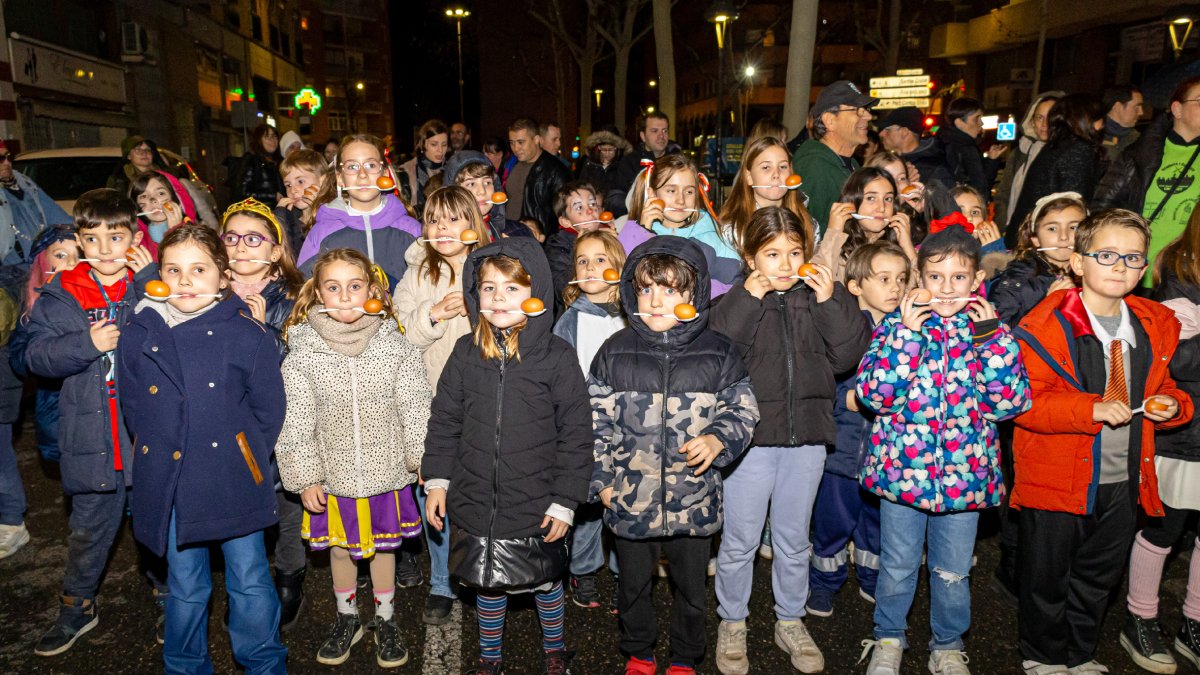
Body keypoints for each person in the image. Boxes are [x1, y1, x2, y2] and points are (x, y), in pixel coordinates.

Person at [1012, 209, 1193, 675]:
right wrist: (1087, 408)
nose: (1119, 266)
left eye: (1132, 257)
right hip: (1057, 479)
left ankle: (1079, 652)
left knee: (1098, 575)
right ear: (1077, 262)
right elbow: (1021, 403)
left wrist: (1173, 406)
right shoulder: (1046, 325)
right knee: (1047, 576)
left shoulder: (1154, 323)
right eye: (1106, 254)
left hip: (1124, 478)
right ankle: (1043, 655)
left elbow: (1166, 386)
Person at [857, 224, 1031, 675]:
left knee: (952, 572)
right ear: (920, 278)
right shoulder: (897, 326)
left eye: (959, 277)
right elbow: (874, 396)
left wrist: (990, 340)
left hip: (966, 478)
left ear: (976, 280)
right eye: (937, 277)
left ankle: (948, 645)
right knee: (897, 567)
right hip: (903, 475)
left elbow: (1010, 404)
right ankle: (888, 638)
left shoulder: (992, 333)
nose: (948, 287)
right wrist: (907, 339)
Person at [117, 224, 287, 672]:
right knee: (186, 586)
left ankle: (264, 663)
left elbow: (269, 409)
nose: (185, 281)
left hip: (233, 475)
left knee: (249, 580)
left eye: (199, 269)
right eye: (173, 270)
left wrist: (244, 452)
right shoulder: (141, 329)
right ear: (158, 274)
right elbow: (134, 407)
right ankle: (185, 665)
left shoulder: (248, 333)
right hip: (171, 482)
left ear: (223, 277)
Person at [710, 206, 870, 675]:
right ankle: (733, 621)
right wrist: (745, 299)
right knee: (739, 541)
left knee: (794, 538)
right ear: (751, 255)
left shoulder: (819, 297)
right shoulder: (735, 299)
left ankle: (790, 618)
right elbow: (718, 355)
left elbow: (849, 354)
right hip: (750, 442)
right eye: (772, 253)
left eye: (793, 252)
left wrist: (832, 300)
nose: (783, 263)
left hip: (808, 439)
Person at [423, 237, 593, 674]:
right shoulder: (464, 353)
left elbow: (576, 434)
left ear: (536, 295)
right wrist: (438, 480)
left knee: (546, 582)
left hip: (536, 499)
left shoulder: (557, 357)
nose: (499, 297)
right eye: (488, 288)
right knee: (488, 584)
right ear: (473, 295)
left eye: (512, 288)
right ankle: (489, 658)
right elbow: (444, 421)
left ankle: (554, 650)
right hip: (476, 497)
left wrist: (565, 500)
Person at [591, 237, 760, 675]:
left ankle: (686, 656)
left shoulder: (719, 351)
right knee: (632, 586)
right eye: (646, 289)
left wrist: (719, 439)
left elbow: (742, 408)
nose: (656, 300)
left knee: (691, 589)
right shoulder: (614, 352)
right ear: (631, 295)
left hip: (694, 501)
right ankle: (639, 652)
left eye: (669, 290)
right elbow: (593, 423)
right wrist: (602, 481)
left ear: (694, 295)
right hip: (630, 498)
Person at [26, 188, 166, 655]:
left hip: (144, 435)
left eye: (117, 237)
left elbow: (178, 333)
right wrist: (86, 344)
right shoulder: (61, 293)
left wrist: (148, 279)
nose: (106, 250)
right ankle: (77, 606)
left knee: (157, 523)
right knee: (88, 531)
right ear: (80, 242)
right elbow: (36, 357)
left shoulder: (150, 283)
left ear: (134, 237)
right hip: (91, 438)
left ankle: (167, 593)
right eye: (93, 238)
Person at [274, 247, 429, 667]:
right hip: (332, 477)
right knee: (339, 551)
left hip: (387, 474)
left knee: (383, 549)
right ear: (318, 294)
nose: (345, 296)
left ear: (373, 290)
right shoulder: (303, 354)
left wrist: (422, 462)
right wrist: (305, 476)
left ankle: (385, 618)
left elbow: (415, 407)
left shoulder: (396, 347)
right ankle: (347, 617)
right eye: (333, 287)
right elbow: (295, 421)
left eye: (355, 286)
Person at [392, 186, 492, 626]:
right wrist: (433, 315)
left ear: (473, 223)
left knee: (481, 489)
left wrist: (477, 313)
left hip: (486, 399)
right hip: (431, 401)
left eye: (453, 219)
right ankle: (439, 580)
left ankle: (483, 567)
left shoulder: (494, 267)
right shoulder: (417, 276)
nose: (443, 229)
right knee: (433, 489)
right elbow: (398, 338)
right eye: (434, 220)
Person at [986, 191, 1086, 607]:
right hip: (1029, 400)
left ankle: (1063, 573)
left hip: (1078, 400)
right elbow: (998, 338)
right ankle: (1016, 574)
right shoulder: (1019, 279)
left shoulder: (1097, 272)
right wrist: (1047, 305)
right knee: (1026, 488)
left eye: (1075, 228)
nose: (1064, 238)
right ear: (1032, 234)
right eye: (1052, 228)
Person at [1115, 206, 1200, 673]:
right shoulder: (1180, 277)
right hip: (1184, 433)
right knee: (1164, 526)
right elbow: (1176, 361)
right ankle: (1140, 617)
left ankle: (1194, 623)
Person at [807, 241, 910, 616]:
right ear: (855, 286)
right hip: (843, 448)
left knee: (875, 525)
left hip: (887, 453)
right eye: (883, 279)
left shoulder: (907, 330)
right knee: (832, 522)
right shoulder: (844, 327)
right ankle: (823, 583)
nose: (895, 287)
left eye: (901, 279)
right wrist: (846, 397)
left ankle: (870, 578)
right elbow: (822, 381)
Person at [551, 229, 627, 609]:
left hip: (630, 429)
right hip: (588, 428)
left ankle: (622, 570)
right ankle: (582, 570)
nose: (591, 267)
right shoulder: (570, 322)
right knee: (589, 504)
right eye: (583, 261)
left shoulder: (635, 314)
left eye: (601, 259)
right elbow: (560, 380)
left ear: (618, 265)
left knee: (625, 500)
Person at [1095, 77, 1200, 286]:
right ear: (1177, 109)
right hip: (1137, 272)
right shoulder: (1140, 153)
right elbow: (1103, 207)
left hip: (1189, 277)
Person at [299, 134, 422, 290]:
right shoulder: (322, 232)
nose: (362, 174)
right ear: (340, 179)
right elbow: (304, 290)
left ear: (384, 174)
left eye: (370, 165)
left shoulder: (411, 229)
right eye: (352, 167)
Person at [620, 153, 743, 297]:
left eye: (689, 192)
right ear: (652, 194)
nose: (681, 200)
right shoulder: (634, 233)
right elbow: (623, 278)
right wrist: (642, 230)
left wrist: (693, 291)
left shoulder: (711, 238)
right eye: (671, 191)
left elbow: (735, 286)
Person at [10, 225, 79, 465]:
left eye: (78, 256)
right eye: (60, 255)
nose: (71, 263)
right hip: (57, 415)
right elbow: (19, 360)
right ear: (42, 260)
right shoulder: (30, 307)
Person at [1008, 94, 1107, 239]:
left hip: (1032, 235)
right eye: (1098, 118)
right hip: (1050, 239)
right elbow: (1074, 206)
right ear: (1083, 120)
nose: (1103, 124)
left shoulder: (1055, 147)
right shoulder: (1078, 150)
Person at [791, 81, 879, 236]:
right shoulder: (815, 167)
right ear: (830, 121)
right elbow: (807, 233)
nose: (868, 116)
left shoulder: (851, 164)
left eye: (866, 109)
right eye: (857, 110)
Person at [811, 167, 917, 283]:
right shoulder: (838, 249)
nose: (881, 208)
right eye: (871, 198)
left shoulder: (897, 245)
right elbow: (818, 282)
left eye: (888, 199)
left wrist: (908, 248)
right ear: (852, 202)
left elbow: (919, 290)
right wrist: (834, 233)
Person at [0, 137, 72, 292]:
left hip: (39, 264)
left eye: (7, 157)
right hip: (8, 271)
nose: (6, 163)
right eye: (0, 159)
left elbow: (57, 215)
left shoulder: (24, 182)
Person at [996, 92, 1065, 242]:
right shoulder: (1021, 151)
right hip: (1012, 232)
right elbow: (1004, 194)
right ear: (1031, 121)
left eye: (1050, 118)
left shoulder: (1065, 154)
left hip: (1046, 237)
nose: (1044, 124)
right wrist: (1003, 226)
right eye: (1039, 117)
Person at [719, 137, 810, 249]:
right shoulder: (733, 229)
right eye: (766, 167)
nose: (776, 174)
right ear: (749, 177)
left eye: (783, 167)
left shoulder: (804, 220)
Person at [546, 180, 610, 316]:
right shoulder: (558, 245)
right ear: (566, 221)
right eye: (579, 207)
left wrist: (614, 247)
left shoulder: (610, 235)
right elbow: (563, 288)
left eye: (593, 204)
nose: (590, 210)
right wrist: (580, 248)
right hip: (578, 316)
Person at [442, 150, 532, 241]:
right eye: (471, 184)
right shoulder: (447, 240)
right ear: (453, 193)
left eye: (487, 182)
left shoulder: (519, 232)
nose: (482, 191)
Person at [606, 112, 682, 217]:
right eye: (654, 131)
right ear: (643, 136)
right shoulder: (629, 162)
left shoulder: (679, 162)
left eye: (665, 131)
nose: (661, 136)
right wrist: (639, 207)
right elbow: (614, 199)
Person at [504, 118, 572, 236]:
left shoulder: (556, 170)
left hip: (536, 240)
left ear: (536, 139)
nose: (515, 148)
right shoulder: (513, 164)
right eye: (511, 142)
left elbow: (565, 213)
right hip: (510, 235)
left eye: (521, 142)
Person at [937, 97, 1000, 203]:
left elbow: (982, 185)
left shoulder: (968, 145)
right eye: (976, 118)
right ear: (959, 122)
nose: (981, 123)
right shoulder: (949, 148)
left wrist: (991, 160)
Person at [876, 107, 955, 190]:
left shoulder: (935, 169)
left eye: (887, 130)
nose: (881, 134)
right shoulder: (892, 162)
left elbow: (941, 202)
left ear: (904, 132)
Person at [275, 148, 332, 255]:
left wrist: (320, 214)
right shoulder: (289, 218)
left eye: (300, 181)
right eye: (288, 185)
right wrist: (278, 220)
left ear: (323, 181)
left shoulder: (333, 216)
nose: (293, 190)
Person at [400, 119, 450, 215]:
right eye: (434, 144)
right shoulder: (406, 170)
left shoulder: (453, 168)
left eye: (444, 145)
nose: (440, 150)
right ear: (422, 144)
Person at [233, 123, 285, 205]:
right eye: (267, 136)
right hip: (260, 213)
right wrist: (272, 196)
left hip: (279, 211)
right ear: (259, 140)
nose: (272, 140)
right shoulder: (251, 160)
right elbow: (242, 193)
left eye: (274, 136)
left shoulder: (279, 161)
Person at [578, 127, 633, 203]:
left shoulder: (623, 166)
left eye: (611, 150)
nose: (607, 153)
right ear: (598, 149)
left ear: (617, 149)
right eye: (603, 149)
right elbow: (581, 186)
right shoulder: (589, 164)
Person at [1102, 85, 1144, 162]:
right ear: (1117, 107)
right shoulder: (1094, 138)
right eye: (1136, 107)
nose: (1141, 112)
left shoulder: (1138, 140)